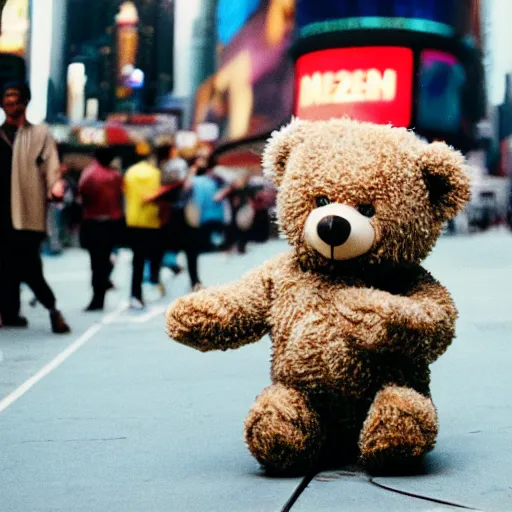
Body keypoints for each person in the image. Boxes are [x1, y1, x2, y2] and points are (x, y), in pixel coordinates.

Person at [0, 81, 70, 333]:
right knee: (5, 265)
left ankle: (53, 309)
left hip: (29, 212)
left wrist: (56, 185)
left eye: (15, 97)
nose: (11, 102)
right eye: (7, 97)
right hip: (3, 214)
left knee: (27, 266)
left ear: (25, 102)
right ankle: (9, 313)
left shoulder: (40, 134)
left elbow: (52, 166)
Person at [78, 147, 124, 311]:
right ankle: (101, 292)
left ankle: (97, 297)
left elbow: (83, 196)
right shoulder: (116, 176)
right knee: (104, 259)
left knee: (96, 261)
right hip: (111, 222)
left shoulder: (89, 174)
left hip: (93, 222)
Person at [123, 141, 164, 309]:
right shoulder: (156, 173)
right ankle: (155, 282)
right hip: (153, 220)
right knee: (155, 255)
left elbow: (125, 193)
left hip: (134, 220)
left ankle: (135, 294)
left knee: (137, 260)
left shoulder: (130, 173)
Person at [181, 155, 229, 291]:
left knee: (193, 253)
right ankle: (197, 281)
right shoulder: (211, 181)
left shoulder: (196, 181)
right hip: (210, 221)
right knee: (197, 252)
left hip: (197, 222)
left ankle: (195, 281)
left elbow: (193, 200)